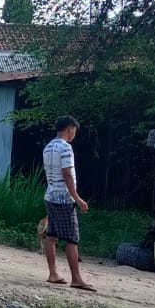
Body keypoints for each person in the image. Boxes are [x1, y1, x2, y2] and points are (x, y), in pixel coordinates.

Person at [42, 115, 95, 291]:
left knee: (51, 236)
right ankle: (77, 278)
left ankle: (53, 273)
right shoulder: (66, 148)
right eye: (74, 131)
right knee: (72, 239)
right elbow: (67, 174)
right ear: (70, 128)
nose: (74, 134)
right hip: (64, 198)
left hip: (50, 195)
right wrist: (77, 198)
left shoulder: (48, 147)